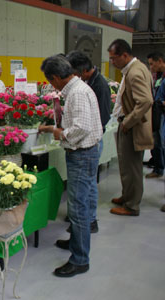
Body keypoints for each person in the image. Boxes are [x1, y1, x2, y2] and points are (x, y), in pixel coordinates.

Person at [39, 55, 102, 277]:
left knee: (78, 208)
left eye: (50, 81)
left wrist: (60, 133)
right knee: (78, 205)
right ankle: (76, 242)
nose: (51, 85)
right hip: (83, 153)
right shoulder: (78, 88)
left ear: (56, 77)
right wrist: (52, 128)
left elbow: (81, 128)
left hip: (82, 155)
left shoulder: (77, 93)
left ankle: (80, 259)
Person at [66, 51, 111, 234]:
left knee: (88, 185)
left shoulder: (98, 85)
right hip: (90, 140)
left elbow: (100, 117)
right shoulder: (89, 83)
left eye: (73, 73)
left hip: (89, 143)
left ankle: (89, 220)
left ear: (83, 71)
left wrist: (63, 133)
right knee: (86, 185)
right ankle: (83, 219)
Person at [108, 39, 154, 216]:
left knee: (131, 167)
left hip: (133, 127)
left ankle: (131, 205)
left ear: (125, 55)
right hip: (131, 125)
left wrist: (127, 122)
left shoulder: (134, 72)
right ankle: (127, 196)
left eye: (114, 58)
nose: (112, 62)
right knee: (126, 165)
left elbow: (145, 101)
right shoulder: (136, 68)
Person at [146, 52, 165, 179]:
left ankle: (159, 168)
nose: (151, 67)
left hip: (162, 112)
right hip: (157, 112)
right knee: (156, 141)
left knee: (160, 141)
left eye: (152, 64)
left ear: (160, 61)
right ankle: (157, 166)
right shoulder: (158, 76)